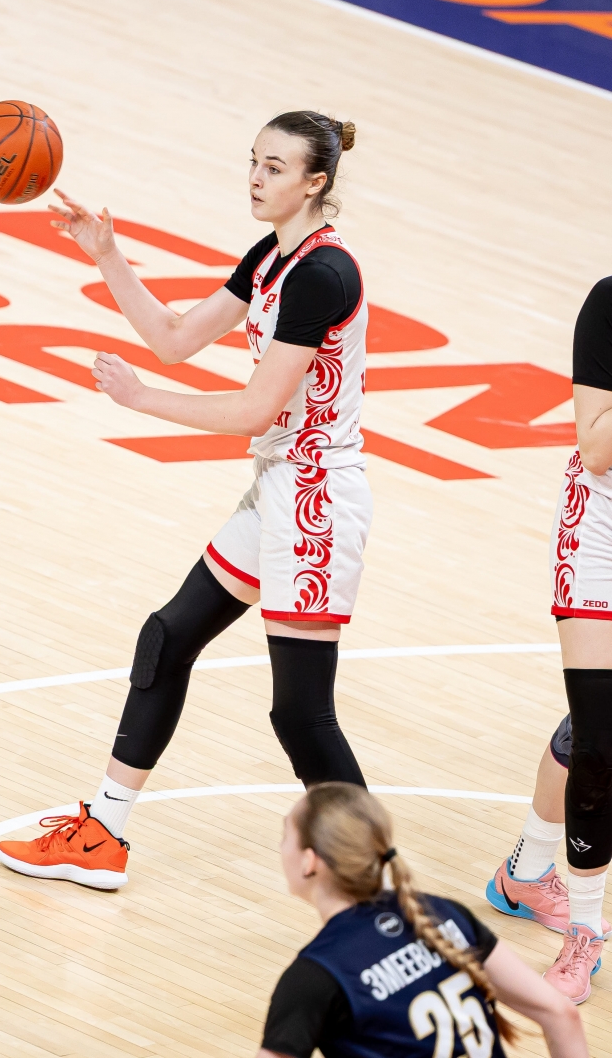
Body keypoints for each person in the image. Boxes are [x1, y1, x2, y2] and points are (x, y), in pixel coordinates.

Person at [0, 111, 374, 889]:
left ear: (315, 182)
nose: (255, 178)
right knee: (167, 637)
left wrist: (140, 401)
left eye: (274, 167)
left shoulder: (322, 275)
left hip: (314, 502)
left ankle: (382, 885)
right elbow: (173, 338)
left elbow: (254, 409)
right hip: (279, 487)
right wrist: (106, 254)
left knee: (300, 715)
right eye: (253, 161)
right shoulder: (271, 256)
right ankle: (103, 833)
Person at [487, 277, 612, 1003]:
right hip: (601, 533)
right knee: (600, 742)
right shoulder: (608, 305)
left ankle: (527, 870)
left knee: (596, 721)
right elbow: (596, 447)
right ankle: (585, 932)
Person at [260, 783, 587, 1058]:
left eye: (285, 835)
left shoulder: (316, 974)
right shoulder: (443, 914)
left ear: (309, 862)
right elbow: (561, 1014)